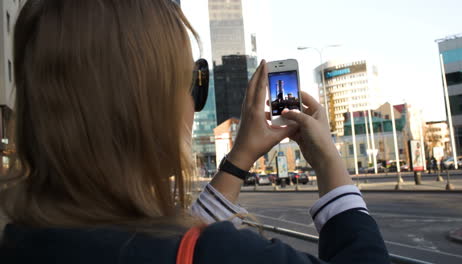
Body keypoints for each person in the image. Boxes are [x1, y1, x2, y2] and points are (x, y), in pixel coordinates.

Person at [0, 1, 390, 263]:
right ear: (147, 101)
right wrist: (329, 161)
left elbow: (162, 239)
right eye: (194, 80)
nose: (193, 100)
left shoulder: (23, 237)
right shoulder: (220, 254)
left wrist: (239, 159)